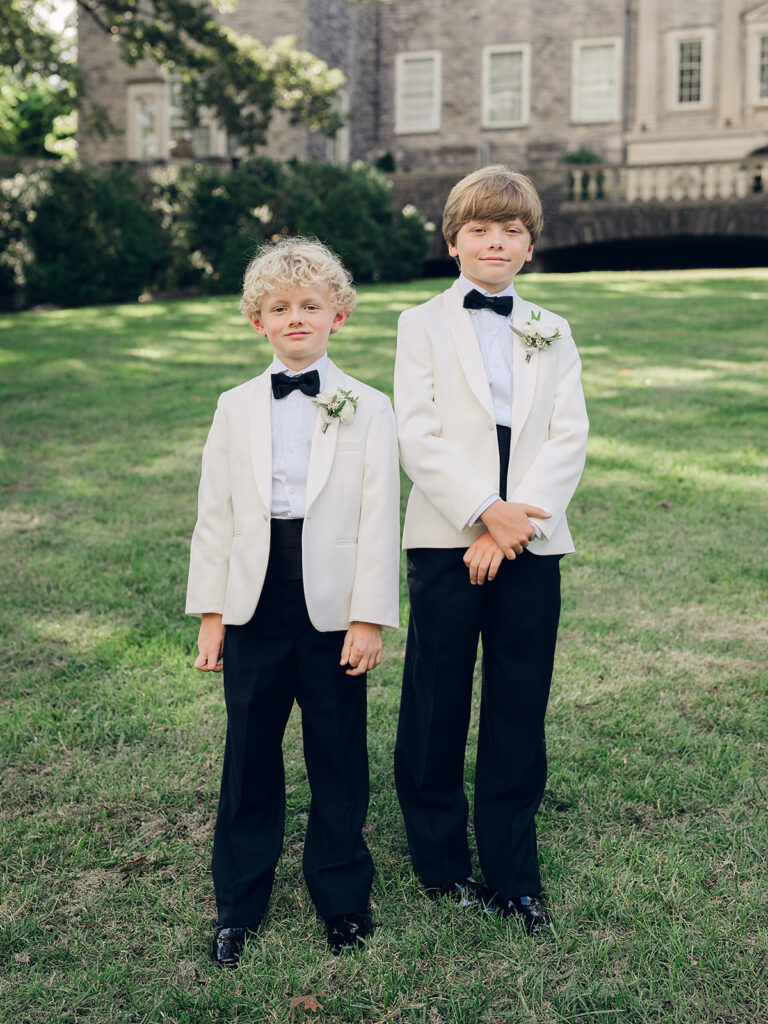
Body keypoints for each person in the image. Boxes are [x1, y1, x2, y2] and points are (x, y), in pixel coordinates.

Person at [186, 237, 400, 966]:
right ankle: (239, 905)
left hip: (334, 605)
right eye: (280, 308)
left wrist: (368, 617)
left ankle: (342, 898)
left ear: (339, 314)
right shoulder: (234, 406)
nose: (296, 318)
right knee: (249, 752)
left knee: (337, 753)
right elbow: (215, 514)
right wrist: (212, 615)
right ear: (258, 322)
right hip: (253, 600)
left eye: (311, 305)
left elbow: (379, 518)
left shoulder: (370, 406)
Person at [393, 165, 588, 934]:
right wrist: (482, 514)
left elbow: (568, 436)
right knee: (437, 699)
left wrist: (514, 527)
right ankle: (441, 864)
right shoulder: (420, 324)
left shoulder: (552, 328)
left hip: (531, 540)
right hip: (449, 535)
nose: (495, 242)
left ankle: (514, 873)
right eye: (479, 230)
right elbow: (418, 433)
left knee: (518, 702)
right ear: (453, 243)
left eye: (511, 231)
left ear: (530, 247)